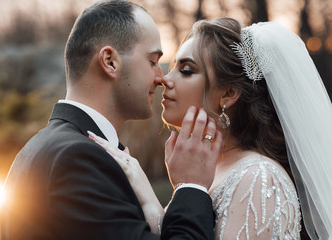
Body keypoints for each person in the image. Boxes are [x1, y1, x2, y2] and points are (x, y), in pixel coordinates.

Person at [91, 17, 332, 239]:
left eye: (186, 70)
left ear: (228, 93)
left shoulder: (259, 177)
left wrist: (187, 185)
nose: (165, 79)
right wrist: (145, 187)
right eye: (173, 67)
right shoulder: (211, 170)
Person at [0, 1, 223, 239]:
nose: (161, 78)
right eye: (152, 62)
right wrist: (191, 186)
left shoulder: (44, 147)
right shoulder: (76, 160)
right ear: (110, 61)